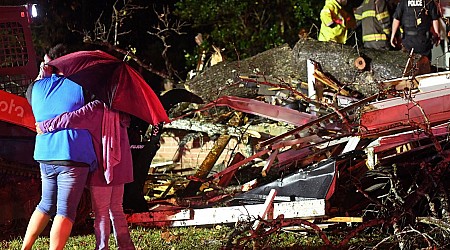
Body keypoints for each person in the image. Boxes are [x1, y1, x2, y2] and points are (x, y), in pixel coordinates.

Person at [21, 44, 98, 250]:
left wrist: (43, 73)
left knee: (45, 204)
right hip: (71, 154)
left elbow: (33, 96)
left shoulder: (34, 88)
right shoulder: (81, 86)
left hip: (45, 155)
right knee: (65, 211)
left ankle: (25, 247)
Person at [36, 100, 136, 250]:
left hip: (103, 166)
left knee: (101, 212)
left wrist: (44, 125)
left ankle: (102, 247)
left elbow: (69, 119)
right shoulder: (121, 109)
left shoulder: (95, 108)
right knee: (116, 208)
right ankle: (126, 246)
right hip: (120, 166)